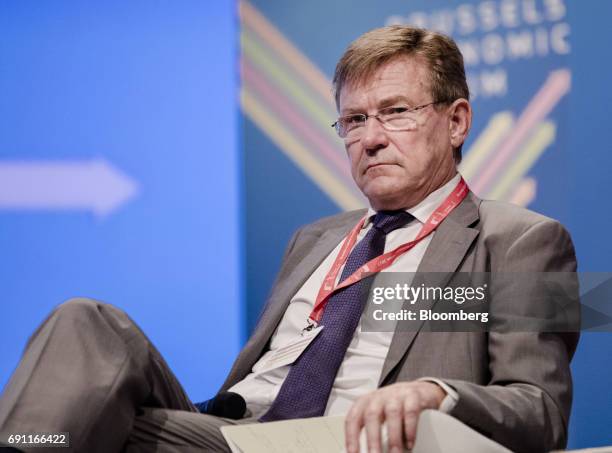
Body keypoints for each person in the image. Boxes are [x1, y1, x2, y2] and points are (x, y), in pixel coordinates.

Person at [0, 26, 578, 453]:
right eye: (353, 120)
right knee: (86, 323)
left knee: (88, 426)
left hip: (344, 440)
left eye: (396, 112)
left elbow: (540, 407)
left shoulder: (522, 241)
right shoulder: (316, 238)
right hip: (232, 432)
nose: (370, 139)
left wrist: (437, 394)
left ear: (456, 122)